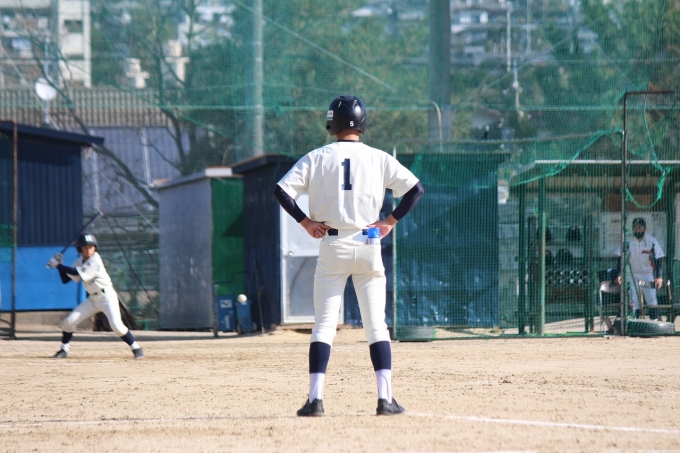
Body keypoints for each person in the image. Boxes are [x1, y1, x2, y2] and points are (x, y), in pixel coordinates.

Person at [274, 94, 424, 416]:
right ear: (363, 123)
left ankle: (315, 400)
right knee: (376, 325)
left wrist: (305, 222)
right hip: (368, 241)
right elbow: (416, 190)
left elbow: (281, 191)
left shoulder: (317, 157)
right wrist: (389, 222)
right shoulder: (379, 157)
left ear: (332, 123)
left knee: (324, 325)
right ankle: (385, 400)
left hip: (333, 244)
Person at [47, 233, 144, 359]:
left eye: (91, 247)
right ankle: (63, 350)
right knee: (68, 322)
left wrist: (57, 265)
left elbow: (77, 272)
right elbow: (66, 279)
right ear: (80, 249)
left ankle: (136, 348)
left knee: (116, 326)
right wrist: (60, 264)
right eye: (85, 247)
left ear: (95, 248)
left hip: (107, 297)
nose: (88, 250)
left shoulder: (95, 260)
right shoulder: (79, 262)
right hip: (93, 299)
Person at [614, 217, 665, 320]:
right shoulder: (627, 240)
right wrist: (619, 274)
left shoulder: (651, 241)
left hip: (647, 275)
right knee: (633, 301)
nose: (637, 229)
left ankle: (654, 322)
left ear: (644, 228)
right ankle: (635, 322)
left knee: (651, 299)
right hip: (631, 275)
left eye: (639, 227)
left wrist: (659, 277)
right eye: (634, 227)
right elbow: (620, 258)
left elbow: (658, 260)